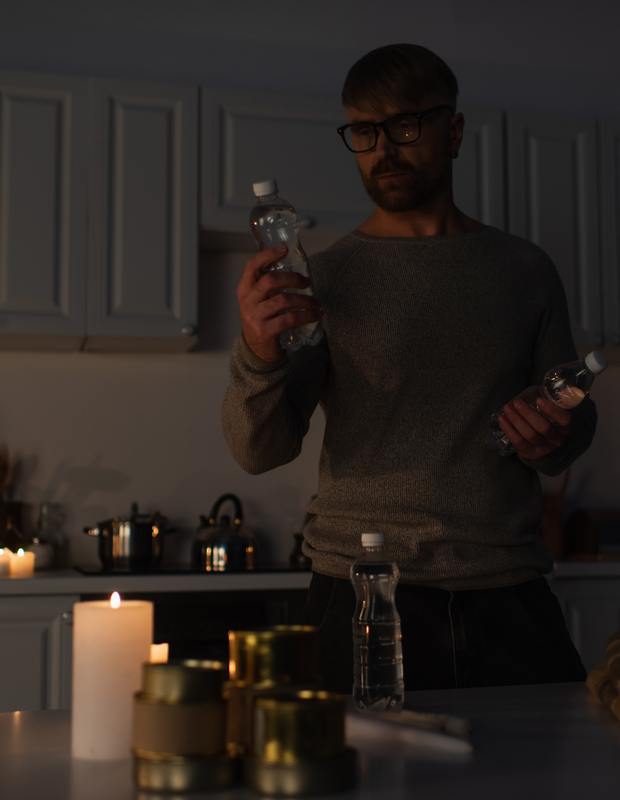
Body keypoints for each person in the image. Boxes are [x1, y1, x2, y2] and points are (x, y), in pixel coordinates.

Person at [222, 43, 594, 691]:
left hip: (507, 592)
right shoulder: (326, 277)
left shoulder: (525, 271)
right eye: (364, 132)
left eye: (406, 125)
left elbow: (571, 425)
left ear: (453, 131)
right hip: (360, 592)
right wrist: (257, 350)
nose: (383, 148)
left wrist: (557, 433)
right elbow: (261, 449)